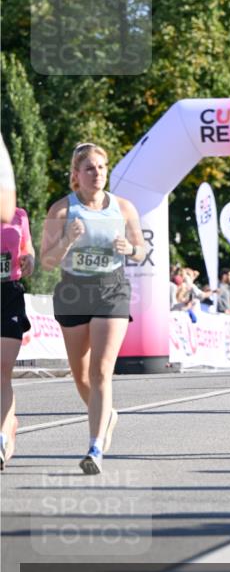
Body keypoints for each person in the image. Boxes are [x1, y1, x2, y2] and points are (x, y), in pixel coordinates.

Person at [40, 142, 144, 475]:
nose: (97, 173)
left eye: (101, 167)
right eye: (89, 168)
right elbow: (46, 261)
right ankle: (106, 415)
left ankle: (95, 447)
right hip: (73, 292)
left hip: (111, 290)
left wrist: (130, 249)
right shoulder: (62, 210)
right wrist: (67, 240)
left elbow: (141, 250)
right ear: (76, 174)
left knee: (101, 372)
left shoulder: (123, 208)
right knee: (81, 375)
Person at [1, 205, 35, 469]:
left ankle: (1, 436)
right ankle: (9, 422)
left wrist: (29, 258)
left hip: (8, 293)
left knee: (2, 369)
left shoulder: (18, 215)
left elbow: (27, 247)